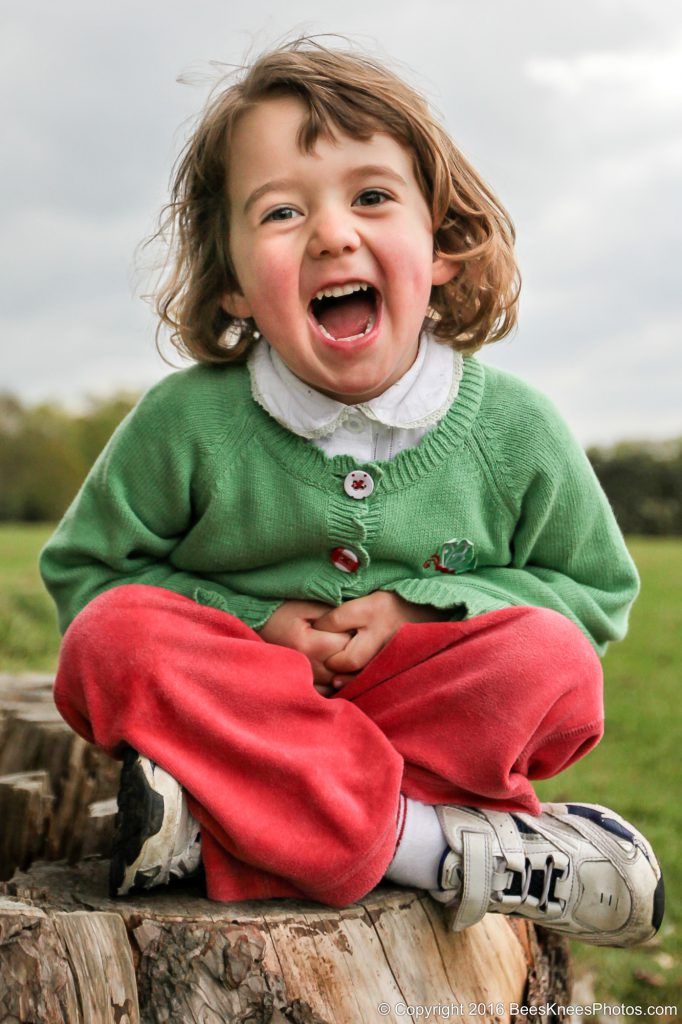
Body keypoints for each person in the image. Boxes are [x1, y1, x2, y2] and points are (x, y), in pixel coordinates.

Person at [40, 38, 663, 947]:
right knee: (113, 642)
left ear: (441, 244)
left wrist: (423, 610)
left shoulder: (515, 428)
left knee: (553, 662)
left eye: (372, 197)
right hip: (248, 709)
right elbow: (91, 576)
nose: (333, 232)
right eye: (283, 212)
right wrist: (256, 623)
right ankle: (434, 848)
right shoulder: (187, 422)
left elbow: (595, 591)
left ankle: (221, 832)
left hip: (419, 712)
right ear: (237, 284)